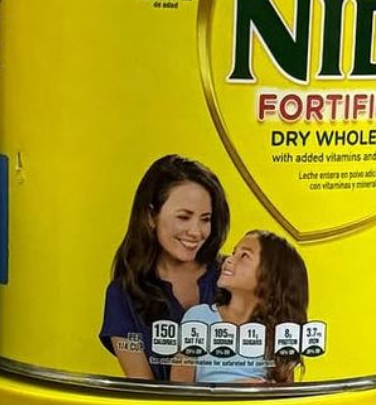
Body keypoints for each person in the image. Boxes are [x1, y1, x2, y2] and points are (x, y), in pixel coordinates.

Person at [99, 154, 230, 380]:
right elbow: (142, 386)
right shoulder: (123, 295)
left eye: (205, 219)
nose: (196, 232)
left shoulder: (234, 277)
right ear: (151, 216)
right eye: (184, 217)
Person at [171, 230, 309, 384]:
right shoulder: (198, 318)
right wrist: (233, 389)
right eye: (233, 253)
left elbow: (285, 392)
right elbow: (180, 387)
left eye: (244, 256)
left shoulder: (277, 332)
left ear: (270, 275)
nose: (229, 260)